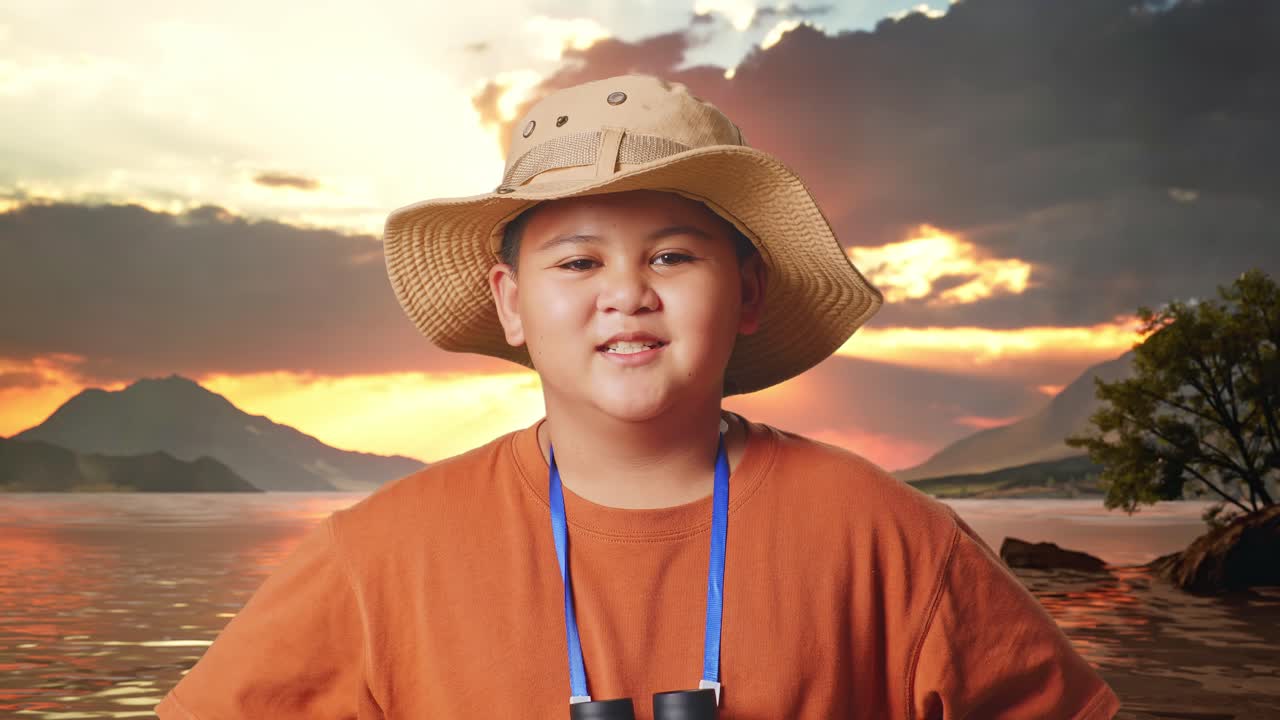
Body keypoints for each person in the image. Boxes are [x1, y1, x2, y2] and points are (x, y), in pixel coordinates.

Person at [154, 74, 1120, 719]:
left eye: (672, 256)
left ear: (747, 293)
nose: (627, 293)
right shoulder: (378, 557)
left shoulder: (890, 538)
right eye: (578, 261)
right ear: (511, 303)